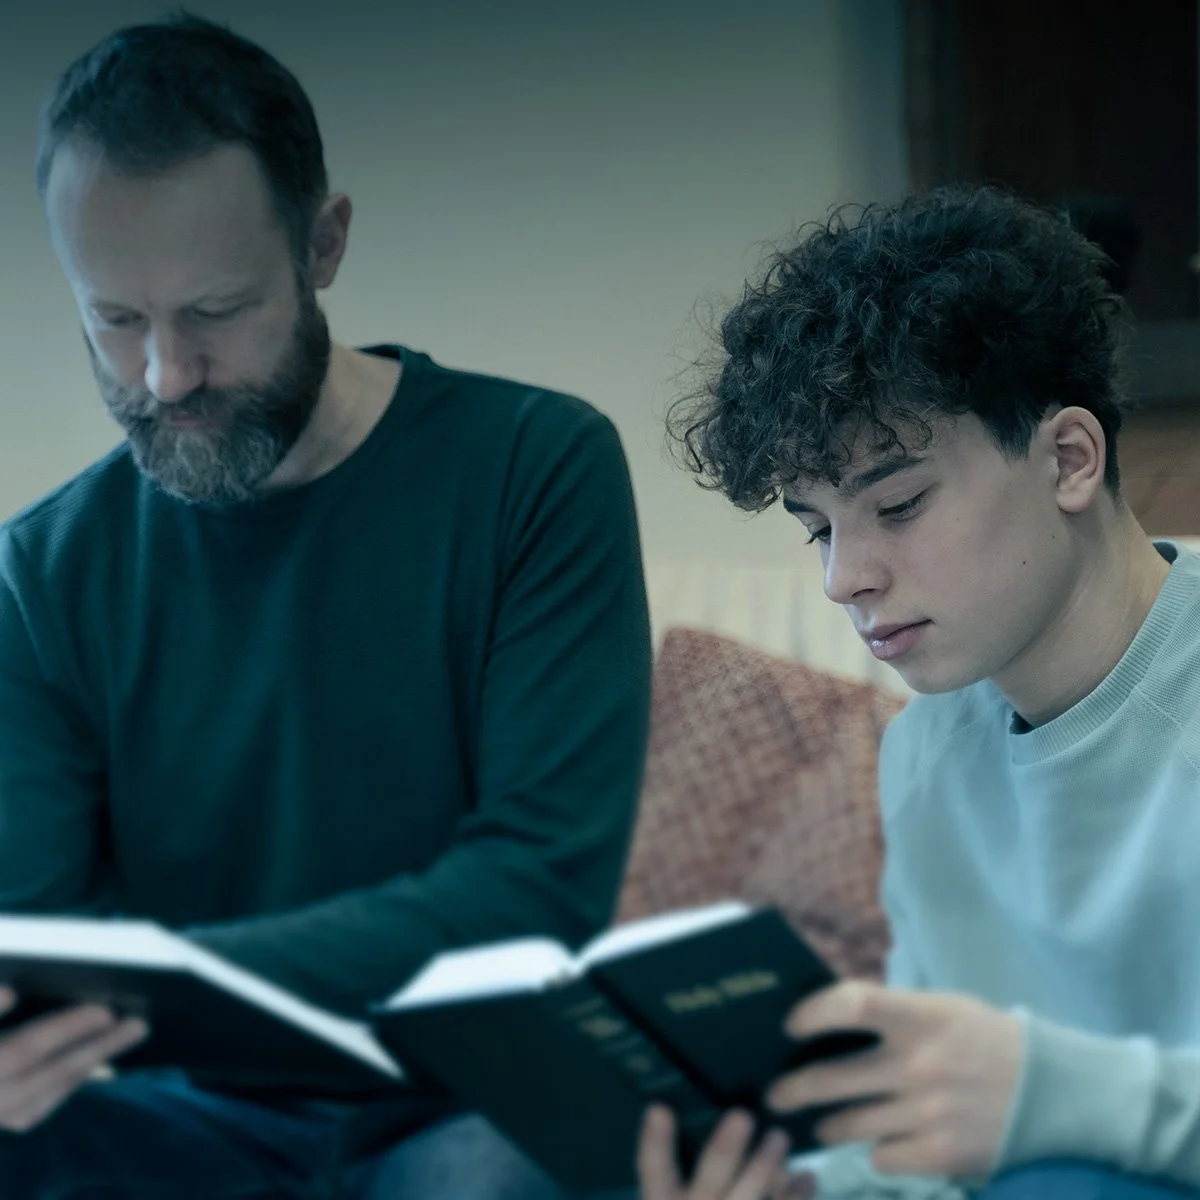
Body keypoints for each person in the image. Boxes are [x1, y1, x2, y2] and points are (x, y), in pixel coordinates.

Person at [0, 12, 652, 1198]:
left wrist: (159, 985)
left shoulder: (534, 466)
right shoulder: (39, 574)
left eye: (214, 311)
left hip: (464, 1103)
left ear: (324, 244)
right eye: (115, 320)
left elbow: (535, 894)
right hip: (175, 1121)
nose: (165, 377)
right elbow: (49, 967)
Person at [637, 186, 1200, 1200]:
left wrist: (1047, 1096)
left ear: (1069, 459)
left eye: (898, 504)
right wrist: (806, 1188)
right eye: (819, 528)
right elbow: (924, 1136)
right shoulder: (924, 754)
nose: (844, 578)